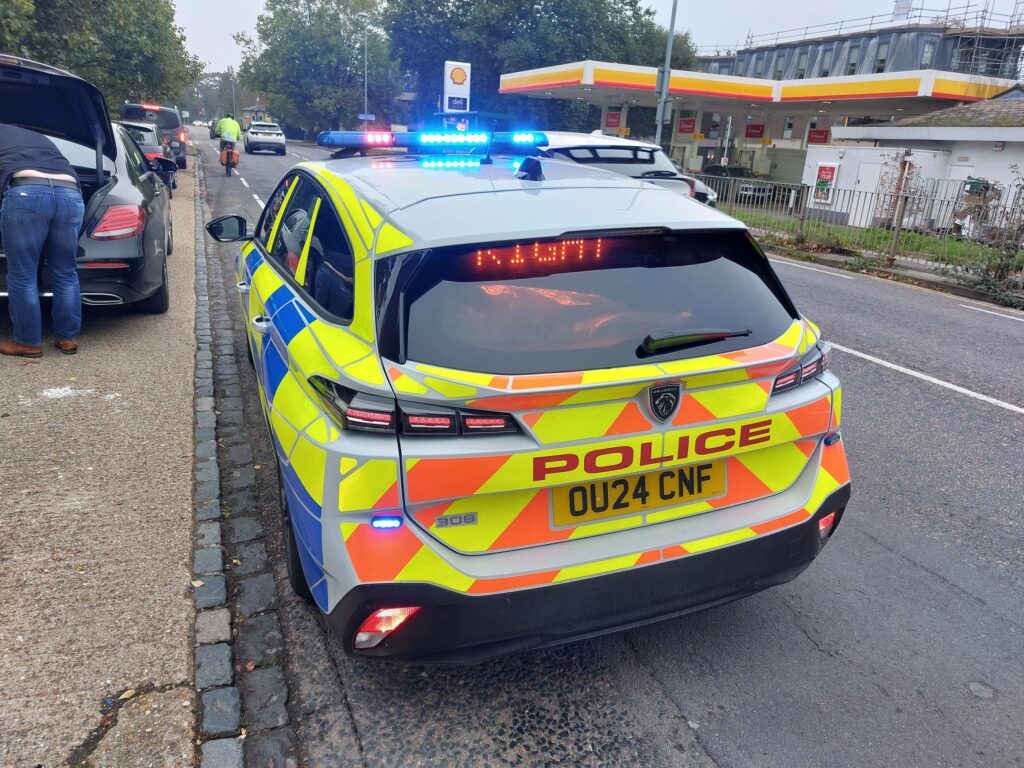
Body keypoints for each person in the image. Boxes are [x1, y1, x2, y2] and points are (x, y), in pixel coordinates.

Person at [0, 123, 85, 358]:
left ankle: (27, 343)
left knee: (22, 273)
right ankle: (67, 338)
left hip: (26, 193)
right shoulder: (37, 138)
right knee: (66, 271)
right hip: (70, 193)